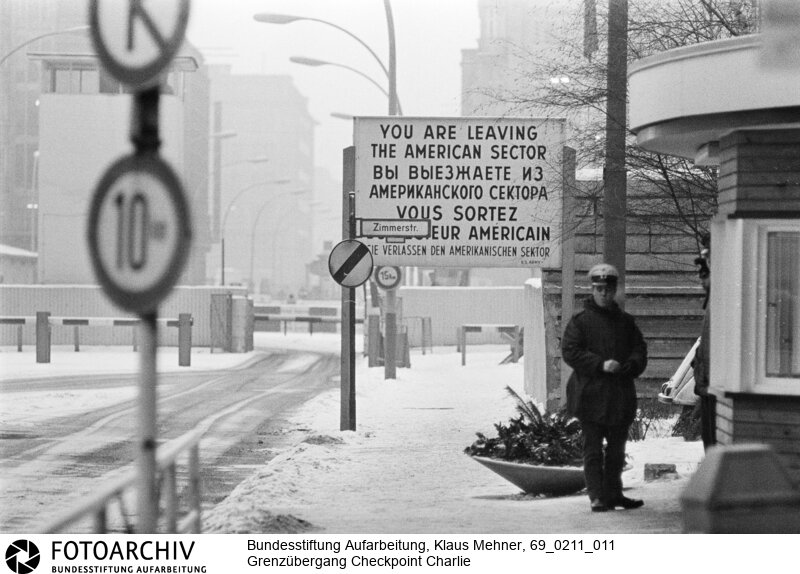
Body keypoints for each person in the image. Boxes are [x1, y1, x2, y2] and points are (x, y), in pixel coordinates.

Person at [562, 263, 648, 512]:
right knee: (592, 450)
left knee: (617, 451)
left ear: (614, 291)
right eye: (599, 289)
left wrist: (630, 366)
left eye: (608, 289)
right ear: (592, 290)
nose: (604, 294)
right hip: (590, 395)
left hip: (619, 396)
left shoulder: (626, 322)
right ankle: (597, 496)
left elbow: (639, 351)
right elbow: (570, 352)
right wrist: (600, 364)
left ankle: (614, 493)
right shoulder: (580, 322)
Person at [692, 239, 716, 450]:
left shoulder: (719, 300)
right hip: (707, 387)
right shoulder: (711, 301)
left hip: (713, 387)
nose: (701, 279)